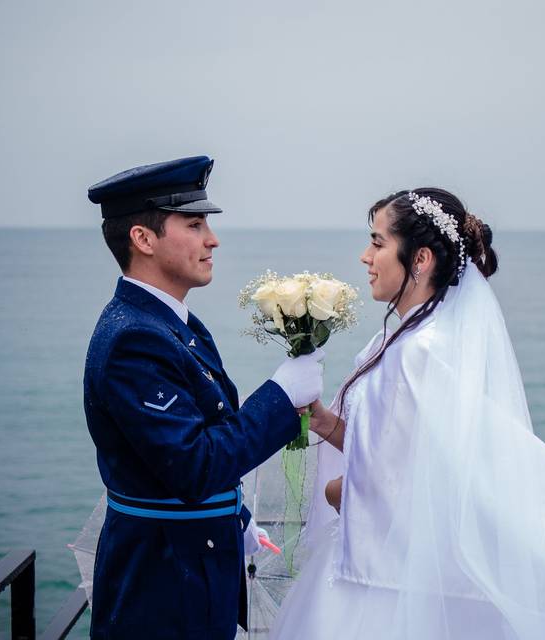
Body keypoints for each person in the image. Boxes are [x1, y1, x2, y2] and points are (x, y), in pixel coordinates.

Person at [270, 188, 545, 639]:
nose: (365, 257)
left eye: (377, 242)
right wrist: (325, 422)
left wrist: (334, 491)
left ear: (421, 259)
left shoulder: (421, 353)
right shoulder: (404, 339)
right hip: (377, 565)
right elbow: (389, 444)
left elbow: (408, 481)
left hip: (382, 587)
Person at [83, 155, 324, 639]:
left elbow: (197, 438)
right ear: (143, 238)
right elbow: (197, 465)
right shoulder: (135, 339)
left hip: (192, 571)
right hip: (162, 592)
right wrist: (280, 395)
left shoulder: (173, 323)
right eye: (194, 225)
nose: (211, 239)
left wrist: (234, 513)